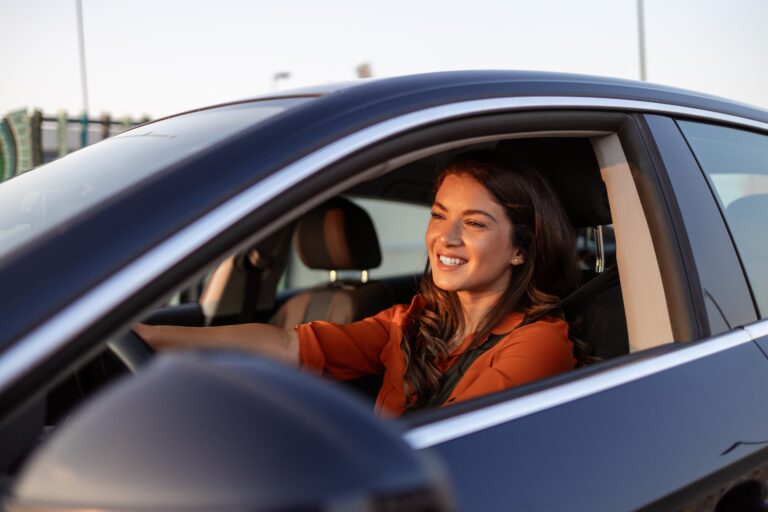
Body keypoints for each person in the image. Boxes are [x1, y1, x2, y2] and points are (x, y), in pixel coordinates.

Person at [135, 153, 582, 417]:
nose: (445, 237)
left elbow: (449, 442)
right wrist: (150, 336)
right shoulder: (411, 320)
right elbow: (289, 346)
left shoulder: (539, 343)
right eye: (438, 214)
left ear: (520, 249)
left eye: (474, 223)